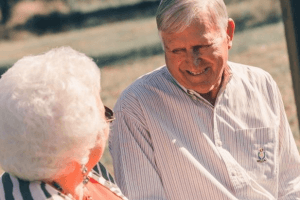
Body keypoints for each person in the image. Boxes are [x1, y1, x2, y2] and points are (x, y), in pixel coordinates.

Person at [109, 0, 300, 199]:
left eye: (203, 46)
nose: (193, 62)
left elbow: (291, 184)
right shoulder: (136, 107)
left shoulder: (262, 85)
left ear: (229, 33)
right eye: (176, 50)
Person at [0, 47, 128, 200]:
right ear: (82, 139)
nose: (107, 124)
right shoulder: (77, 167)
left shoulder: (84, 169)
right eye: (106, 114)